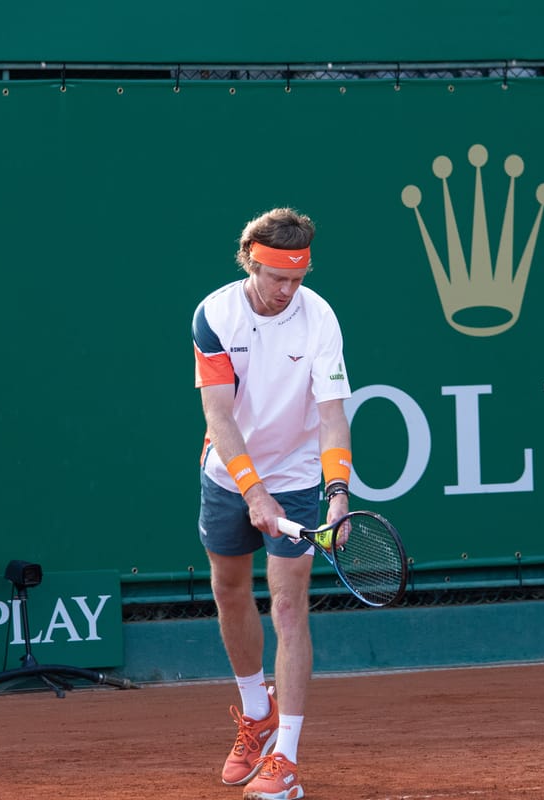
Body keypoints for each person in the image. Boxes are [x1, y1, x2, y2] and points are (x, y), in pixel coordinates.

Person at [192, 207, 352, 800]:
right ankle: (255, 712)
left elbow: (333, 416)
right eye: (277, 277)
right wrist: (250, 491)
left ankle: (284, 755)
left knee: (288, 606)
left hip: (295, 476)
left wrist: (336, 492)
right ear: (251, 263)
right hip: (227, 473)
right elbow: (218, 414)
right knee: (229, 590)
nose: (288, 291)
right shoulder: (214, 314)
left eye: (298, 278)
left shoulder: (321, 320)